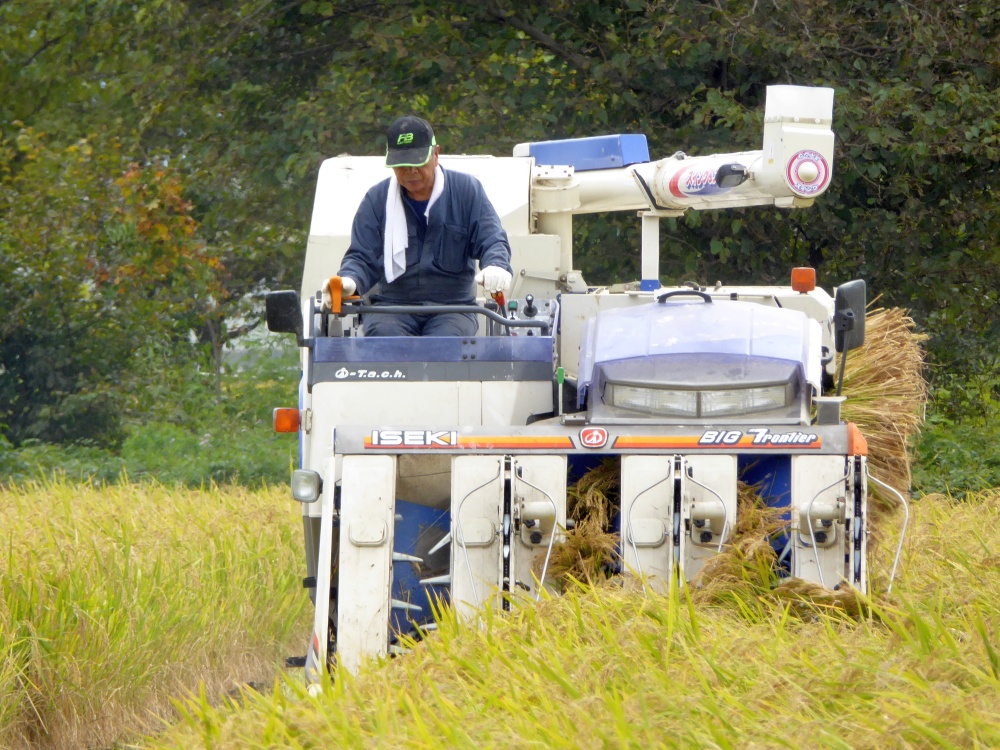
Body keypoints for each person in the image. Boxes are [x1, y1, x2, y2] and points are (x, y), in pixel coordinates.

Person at [336, 115, 513, 336]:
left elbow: (492, 240)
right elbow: (361, 256)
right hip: (392, 306)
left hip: (453, 307)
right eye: (402, 164)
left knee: (445, 343)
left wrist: (496, 265)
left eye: (417, 162)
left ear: (436, 154)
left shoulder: (467, 191)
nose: (410, 171)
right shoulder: (376, 199)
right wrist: (349, 280)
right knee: (385, 338)